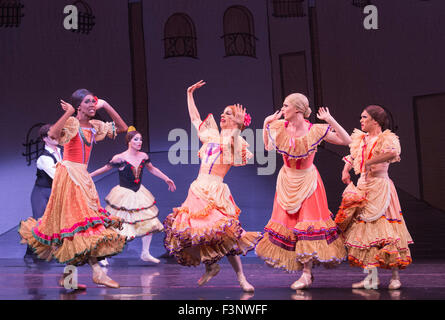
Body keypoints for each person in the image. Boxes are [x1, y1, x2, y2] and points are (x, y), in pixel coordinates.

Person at [18, 89, 129, 289]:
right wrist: (68, 113)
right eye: (89, 102)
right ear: (79, 106)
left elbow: (122, 128)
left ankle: (68, 280)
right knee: (83, 224)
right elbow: (53, 134)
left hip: (83, 177)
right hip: (69, 176)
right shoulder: (71, 123)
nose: (93, 105)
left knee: (74, 228)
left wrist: (106, 105)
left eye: (94, 102)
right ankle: (98, 273)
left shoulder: (95, 126)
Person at [163, 80, 262, 292]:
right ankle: (211, 266)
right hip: (198, 188)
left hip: (216, 190)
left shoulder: (237, 141)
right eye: (223, 113)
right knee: (200, 233)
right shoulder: (211, 136)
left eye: (228, 114)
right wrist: (189, 94)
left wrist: (237, 127)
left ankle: (241, 278)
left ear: (237, 120)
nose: (223, 116)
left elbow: (235, 151)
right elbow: (195, 119)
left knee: (227, 237)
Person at [255, 93, 351, 290]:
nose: (282, 110)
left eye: (286, 106)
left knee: (307, 226)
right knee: (291, 226)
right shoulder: (280, 127)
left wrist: (330, 120)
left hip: (308, 182)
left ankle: (307, 274)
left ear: (298, 109)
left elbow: (346, 140)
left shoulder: (313, 130)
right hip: (287, 181)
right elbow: (267, 146)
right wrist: (266, 123)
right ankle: (302, 269)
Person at [335, 105, 413, 290]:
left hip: (380, 186)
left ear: (375, 121)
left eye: (364, 118)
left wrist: (370, 161)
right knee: (366, 232)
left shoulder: (386, 138)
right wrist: (346, 169)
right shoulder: (361, 139)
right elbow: (353, 155)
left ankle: (395, 277)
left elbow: (393, 153)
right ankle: (372, 277)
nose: (361, 121)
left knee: (387, 230)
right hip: (364, 187)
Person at [90, 127, 176, 264]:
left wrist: (166, 178)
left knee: (148, 222)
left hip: (139, 193)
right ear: (129, 141)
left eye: (141, 139)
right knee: (117, 225)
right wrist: (89, 176)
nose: (139, 142)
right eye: (136, 139)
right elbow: (106, 168)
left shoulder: (143, 156)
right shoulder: (119, 158)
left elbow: (152, 169)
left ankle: (145, 253)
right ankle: (103, 254)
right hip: (124, 194)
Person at [24, 124, 63, 264]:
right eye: (52, 135)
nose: (56, 137)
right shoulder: (44, 158)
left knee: (60, 222)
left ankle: (59, 252)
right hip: (42, 192)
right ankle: (30, 253)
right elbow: (57, 176)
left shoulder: (61, 152)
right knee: (39, 222)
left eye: (57, 133)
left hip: (55, 192)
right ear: (44, 138)